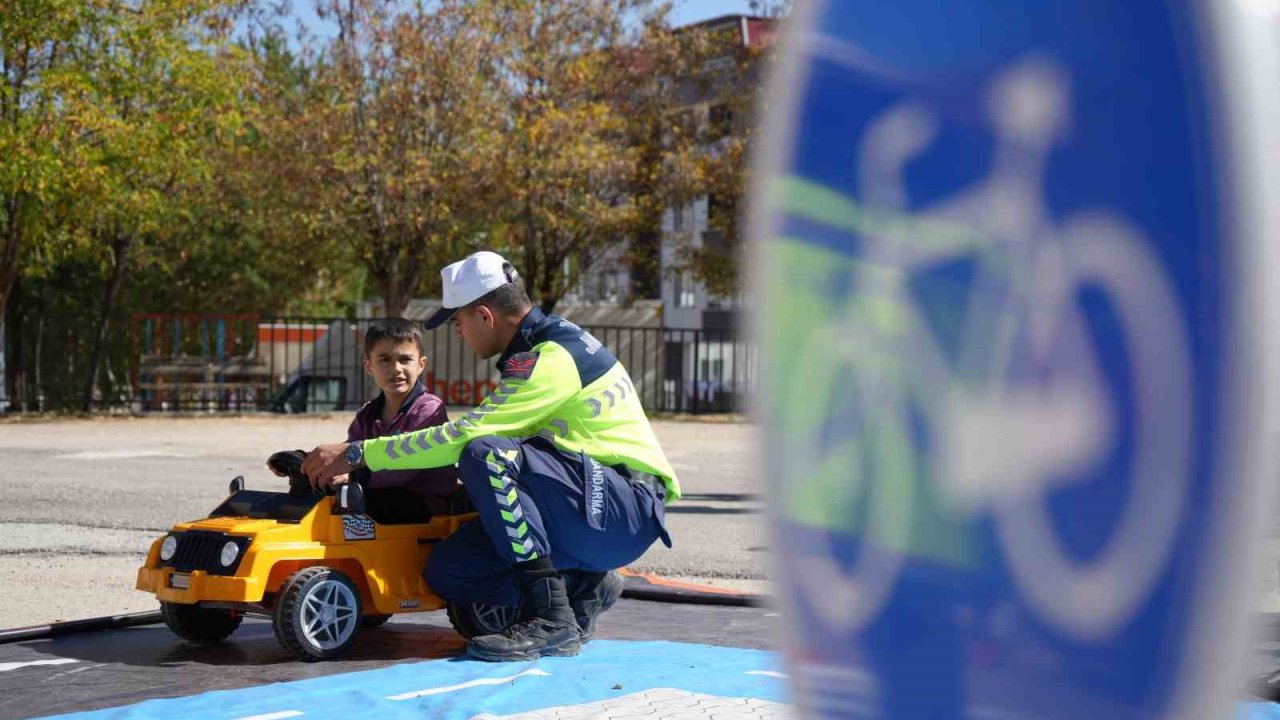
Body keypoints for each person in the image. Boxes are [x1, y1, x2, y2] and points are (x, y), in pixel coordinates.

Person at [303, 250, 678, 662]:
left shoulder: (550, 358)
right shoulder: (544, 343)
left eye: (457, 322)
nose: (458, 333)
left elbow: (467, 435)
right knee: (449, 571)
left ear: (485, 315)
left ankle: (553, 620)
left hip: (621, 511)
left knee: (485, 455)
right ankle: (583, 585)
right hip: (593, 509)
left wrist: (357, 453)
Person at [276, 318, 458, 519]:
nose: (396, 368)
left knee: (348, 505)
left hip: (424, 505)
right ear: (369, 367)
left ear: (421, 365)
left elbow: (405, 467)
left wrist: (353, 475)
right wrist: (307, 462)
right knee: (317, 498)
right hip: (377, 493)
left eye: (405, 360)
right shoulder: (368, 414)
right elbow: (347, 452)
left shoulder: (428, 410)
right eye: (385, 360)